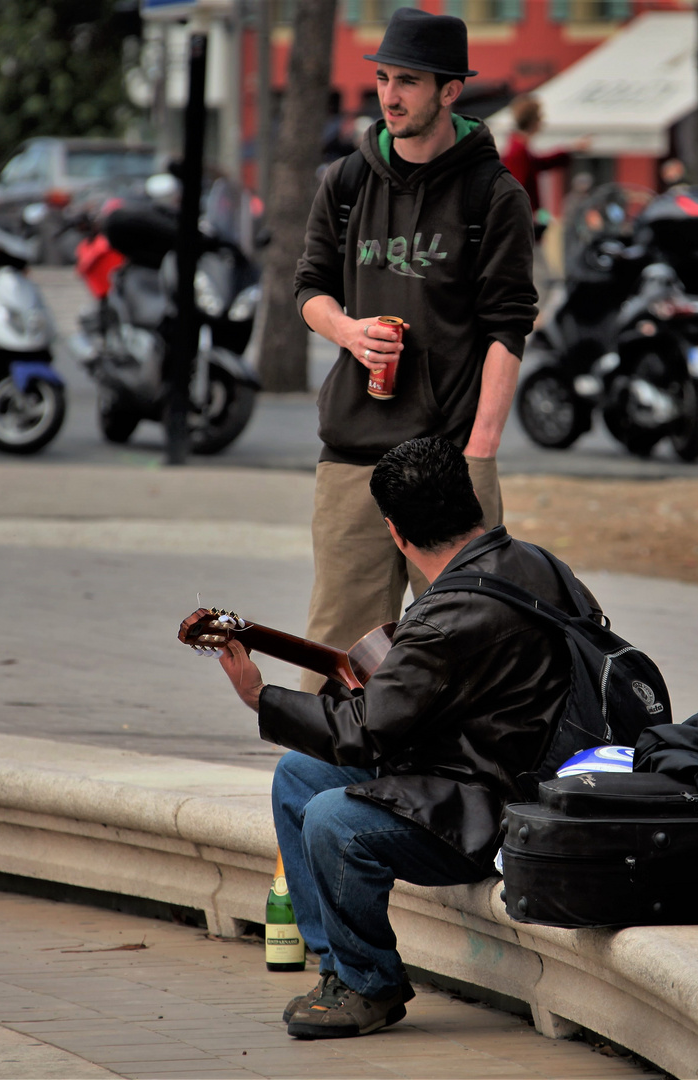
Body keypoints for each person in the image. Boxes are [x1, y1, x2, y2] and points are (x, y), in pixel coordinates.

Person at [191, 436, 601, 1039]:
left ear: (394, 532)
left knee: (333, 815)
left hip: (493, 809)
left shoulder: (445, 618)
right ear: (468, 501)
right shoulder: (538, 564)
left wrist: (261, 697)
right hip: (510, 773)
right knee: (299, 776)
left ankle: (368, 985)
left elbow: (364, 733)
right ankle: (337, 964)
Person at [293, 6, 537, 692]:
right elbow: (309, 286)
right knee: (338, 659)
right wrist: (346, 331)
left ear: (449, 91)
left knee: (467, 654)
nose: (390, 96)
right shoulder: (345, 183)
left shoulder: (494, 195)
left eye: (408, 81)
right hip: (353, 456)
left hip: (451, 455)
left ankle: (447, 794)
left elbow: (507, 325)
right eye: (383, 79)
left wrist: (480, 453)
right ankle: (324, 791)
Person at [500, 94, 587, 219]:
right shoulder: (518, 150)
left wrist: (571, 149)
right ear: (532, 121)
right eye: (539, 118)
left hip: (524, 214)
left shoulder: (520, 146)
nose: (541, 123)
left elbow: (540, 163)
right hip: (521, 215)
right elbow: (518, 186)